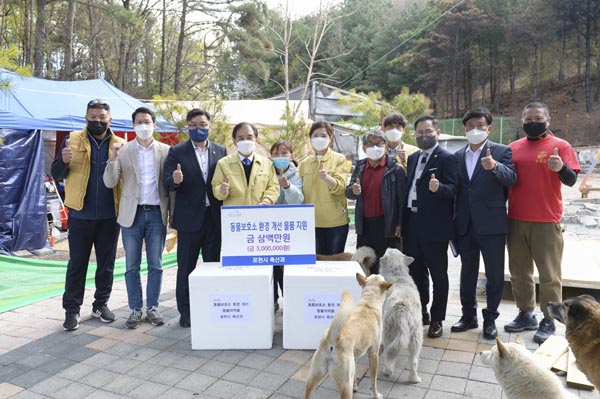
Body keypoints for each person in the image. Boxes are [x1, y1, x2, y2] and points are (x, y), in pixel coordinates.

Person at [504, 101, 581, 344]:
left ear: (548, 120)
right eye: (527, 119)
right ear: (522, 122)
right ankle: (526, 313)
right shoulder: (513, 148)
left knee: (549, 275)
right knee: (519, 272)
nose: (532, 122)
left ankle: (549, 319)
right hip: (515, 219)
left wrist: (561, 168)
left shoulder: (560, 146)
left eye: (537, 118)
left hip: (546, 220)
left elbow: (571, 181)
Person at [51, 99, 124, 331]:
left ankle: (100, 304)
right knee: (77, 264)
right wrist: (62, 162)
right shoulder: (72, 140)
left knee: (107, 264)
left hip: (110, 216)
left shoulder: (120, 144)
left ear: (109, 119)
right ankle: (72, 310)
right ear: (86, 118)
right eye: (93, 117)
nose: (97, 121)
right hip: (80, 214)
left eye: (102, 118)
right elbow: (55, 173)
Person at [451, 107, 517, 340]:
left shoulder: (501, 151)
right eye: (470, 126)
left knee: (494, 274)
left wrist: (495, 167)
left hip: (492, 224)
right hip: (465, 224)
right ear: (465, 129)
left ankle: (490, 319)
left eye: (480, 126)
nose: (475, 130)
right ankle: (468, 316)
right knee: (467, 273)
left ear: (489, 128)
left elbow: (512, 178)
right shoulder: (457, 156)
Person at [103, 107, 171, 329]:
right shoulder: (123, 150)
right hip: (132, 214)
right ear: (133, 126)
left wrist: (172, 215)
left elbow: (170, 186)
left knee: (156, 265)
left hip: (156, 213)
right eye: (139, 122)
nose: (144, 126)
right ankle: (135, 309)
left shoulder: (166, 151)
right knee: (131, 265)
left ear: (154, 125)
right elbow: (110, 182)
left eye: (147, 122)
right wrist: (112, 158)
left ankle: (152, 307)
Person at [164, 108, 227, 328]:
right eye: (193, 125)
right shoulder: (177, 152)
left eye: (202, 125)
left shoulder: (220, 151)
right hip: (189, 219)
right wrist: (176, 180)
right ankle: (186, 311)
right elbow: (167, 181)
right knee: (186, 267)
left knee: (212, 265)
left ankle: (211, 306)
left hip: (213, 218)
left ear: (209, 126)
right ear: (187, 127)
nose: (198, 129)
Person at [402, 115, 458, 338]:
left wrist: (440, 188)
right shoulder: (413, 158)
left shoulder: (447, 158)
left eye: (428, 131)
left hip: (435, 227)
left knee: (438, 274)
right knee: (416, 272)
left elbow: (454, 190)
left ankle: (437, 319)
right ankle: (421, 310)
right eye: (419, 132)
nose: (424, 136)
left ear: (438, 132)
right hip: (412, 223)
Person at [346, 129, 407, 274]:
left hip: (387, 225)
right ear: (364, 148)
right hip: (365, 225)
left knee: (388, 267)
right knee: (366, 265)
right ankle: (370, 295)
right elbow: (349, 192)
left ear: (385, 146)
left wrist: (400, 223)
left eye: (379, 144)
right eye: (370, 144)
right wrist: (353, 190)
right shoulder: (359, 167)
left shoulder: (395, 169)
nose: (375, 147)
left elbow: (402, 200)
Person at [299, 121, 351, 255]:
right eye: (315, 135)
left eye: (323, 135)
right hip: (311, 222)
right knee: (314, 264)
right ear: (310, 138)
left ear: (331, 138)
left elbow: (341, 187)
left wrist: (326, 178)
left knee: (333, 264)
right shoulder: (305, 163)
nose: (319, 139)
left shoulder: (339, 159)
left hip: (335, 222)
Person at [270, 140, 304, 312]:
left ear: (292, 155)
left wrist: (287, 186)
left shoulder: (296, 176)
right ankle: (272, 300)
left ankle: (289, 302)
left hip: (288, 230)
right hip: (267, 229)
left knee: (286, 267)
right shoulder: (265, 173)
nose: (280, 157)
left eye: (284, 153)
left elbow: (298, 200)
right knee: (271, 267)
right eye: (276, 154)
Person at [212, 122, 280, 206]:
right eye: (241, 138)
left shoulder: (267, 164)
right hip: (235, 215)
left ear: (256, 139)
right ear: (234, 141)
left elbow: (273, 187)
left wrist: (267, 200)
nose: (245, 141)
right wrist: (221, 191)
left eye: (249, 137)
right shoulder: (223, 163)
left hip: (260, 213)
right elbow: (216, 187)